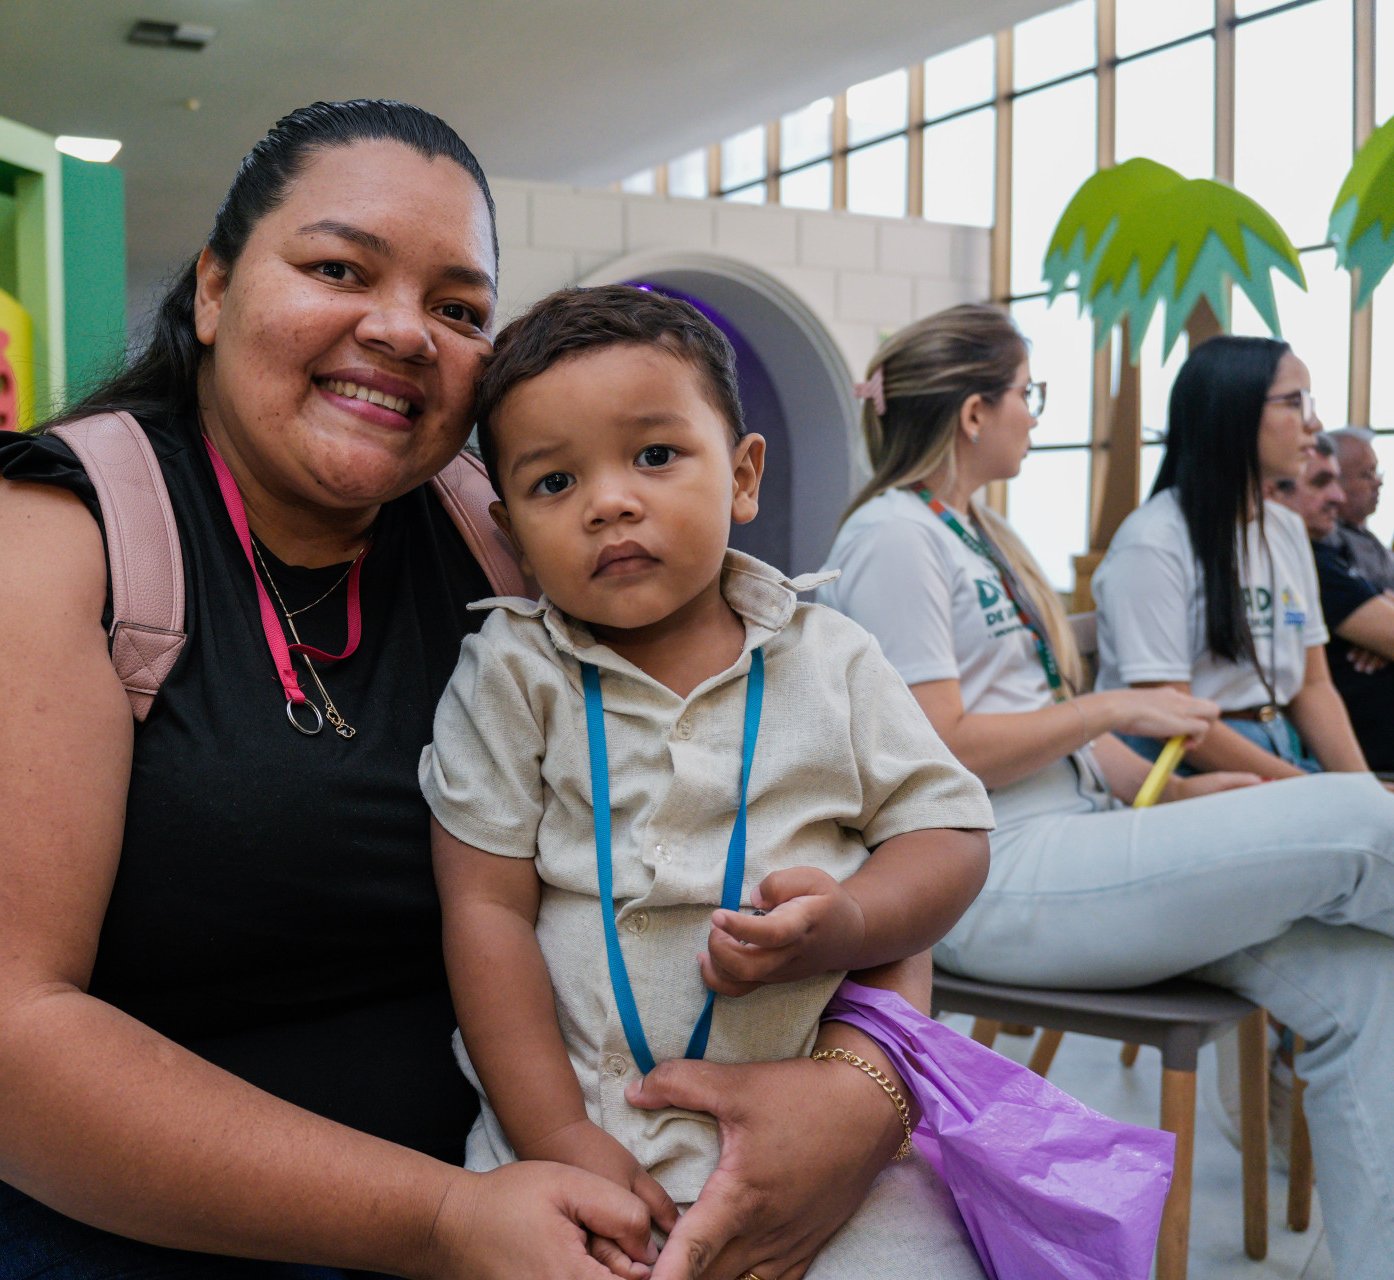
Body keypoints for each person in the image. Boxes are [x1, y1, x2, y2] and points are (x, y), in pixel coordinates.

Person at [0, 101, 946, 1280]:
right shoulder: (47, 537)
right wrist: (444, 1220)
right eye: (337, 268)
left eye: (459, 308)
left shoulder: (521, 542)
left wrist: (865, 1085)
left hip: (532, 1177)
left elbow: (832, 800)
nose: (403, 329)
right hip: (90, 1216)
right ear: (212, 289)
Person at [422, 287, 995, 1279]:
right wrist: (555, 1128)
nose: (610, 501)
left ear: (742, 476)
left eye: (654, 455)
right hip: (578, 1137)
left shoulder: (834, 659)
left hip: (823, 1138)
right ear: (511, 532)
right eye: (555, 482)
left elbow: (948, 832)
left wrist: (856, 918)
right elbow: (485, 911)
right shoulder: (512, 673)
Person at [817, 303, 1394, 1280]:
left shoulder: (978, 532)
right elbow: (939, 746)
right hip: (984, 868)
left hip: (1071, 833)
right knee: (1361, 819)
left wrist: (1192, 791)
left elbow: (1080, 752)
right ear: (972, 411)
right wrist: (1105, 709)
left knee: (1363, 988)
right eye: (1026, 395)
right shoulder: (891, 536)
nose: (1034, 416)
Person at [1091, 336, 1374, 776]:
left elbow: (1313, 687)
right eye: (1295, 403)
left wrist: (1358, 791)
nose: (1314, 423)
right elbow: (1175, 721)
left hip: (1280, 746)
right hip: (1187, 766)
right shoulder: (1154, 542)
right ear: (1233, 412)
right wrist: (1315, 794)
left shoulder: (1284, 528)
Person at [1275, 435, 1394, 771]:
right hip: (1364, 765)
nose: (1336, 498)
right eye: (1321, 482)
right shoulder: (1309, 563)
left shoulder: (1336, 552)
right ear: (1272, 491)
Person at [1329, 424, 1394, 592]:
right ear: (1334, 481)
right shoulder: (1331, 543)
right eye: (1367, 474)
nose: (1378, 482)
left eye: (1377, 471)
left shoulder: (1363, 534)